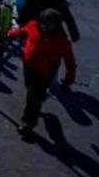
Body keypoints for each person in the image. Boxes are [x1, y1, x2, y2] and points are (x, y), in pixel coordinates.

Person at [7, 9, 76, 140]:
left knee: (33, 97)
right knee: (30, 89)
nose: (46, 26)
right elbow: (22, 32)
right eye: (44, 23)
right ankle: (40, 97)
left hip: (45, 72)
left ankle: (28, 122)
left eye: (49, 24)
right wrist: (11, 34)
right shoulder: (33, 26)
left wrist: (68, 79)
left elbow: (70, 61)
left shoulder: (62, 41)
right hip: (28, 67)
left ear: (57, 25)